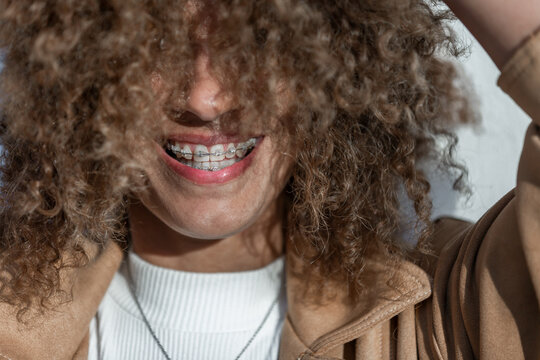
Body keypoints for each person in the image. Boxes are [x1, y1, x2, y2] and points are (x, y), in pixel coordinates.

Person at [0, 0, 538, 359]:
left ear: (333, 63)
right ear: (81, 66)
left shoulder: (439, 321)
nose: (205, 99)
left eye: (255, 40)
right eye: (156, 42)